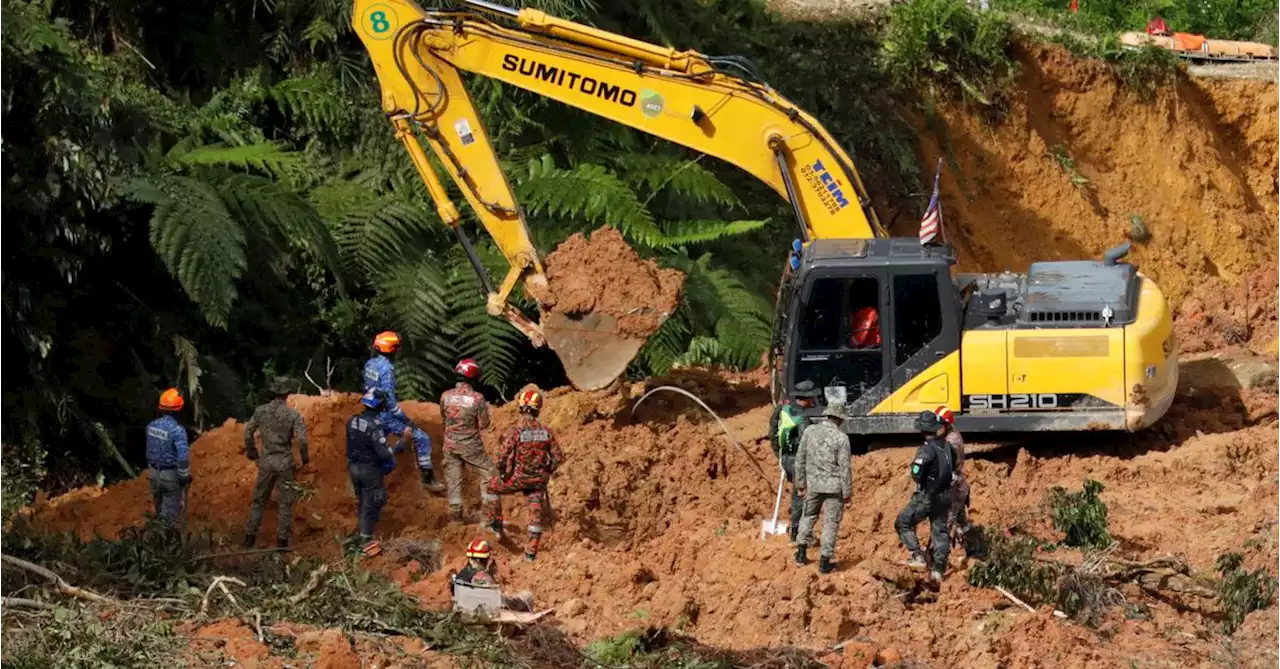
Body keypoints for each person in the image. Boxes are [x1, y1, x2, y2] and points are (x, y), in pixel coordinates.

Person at [485, 388, 564, 561]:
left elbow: (502, 455)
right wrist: (546, 472)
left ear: (521, 409)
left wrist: (502, 472)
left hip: (517, 479)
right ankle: (530, 553)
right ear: (538, 409)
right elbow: (558, 457)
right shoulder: (546, 431)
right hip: (537, 482)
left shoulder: (516, 431)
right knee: (535, 512)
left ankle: (495, 525)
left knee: (491, 488)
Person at [363, 330, 445, 493]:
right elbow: (390, 401)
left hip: (370, 413)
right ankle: (428, 479)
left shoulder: (369, 364)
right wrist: (406, 419)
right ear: (392, 350)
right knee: (422, 438)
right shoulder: (387, 369)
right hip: (385, 416)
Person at [242, 376, 310, 549]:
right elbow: (302, 441)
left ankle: (249, 538)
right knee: (285, 503)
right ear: (287, 393)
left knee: (259, 501)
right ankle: (281, 543)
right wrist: (305, 459)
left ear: (273, 392)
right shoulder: (293, 415)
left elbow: (247, 432)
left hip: (266, 462)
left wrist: (253, 454)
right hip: (285, 463)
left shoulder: (260, 411)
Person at [896, 410, 958, 581]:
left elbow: (917, 474)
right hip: (946, 496)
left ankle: (917, 555)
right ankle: (939, 570)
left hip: (928, 496)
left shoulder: (926, 450)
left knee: (903, 522)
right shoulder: (948, 447)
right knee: (940, 531)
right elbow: (955, 467)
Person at [793, 403, 852, 574]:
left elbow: (800, 459)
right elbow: (845, 467)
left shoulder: (809, 431)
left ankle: (801, 554)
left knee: (808, 516)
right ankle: (825, 562)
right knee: (830, 523)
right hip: (834, 488)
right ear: (839, 419)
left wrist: (801, 483)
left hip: (813, 484)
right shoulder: (841, 438)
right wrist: (847, 492)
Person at [441, 358, 498, 523]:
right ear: (474, 378)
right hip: (471, 447)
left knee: (453, 479)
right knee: (490, 474)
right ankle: (488, 517)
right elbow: (484, 424)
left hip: (450, 445)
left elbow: (444, 419)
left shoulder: (445, 396)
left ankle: (456, 518)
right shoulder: (477, 399)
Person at [769, 380, 822, 543]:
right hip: (798, 461)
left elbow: (772, 431)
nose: (815, 400)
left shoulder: (782, 409)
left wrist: (779, 453)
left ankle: (796, 532)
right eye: (813, 397)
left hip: (785, 458)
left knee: (797, 495)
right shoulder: (803, 420)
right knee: (803, 497)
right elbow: (807, 446)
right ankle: (799, 534)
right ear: (806, 398)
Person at [347, 389, 398, 558]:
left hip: (354, 467)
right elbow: (383, 453)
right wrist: (399, 446)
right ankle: (366, 545)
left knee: (363, 502)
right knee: (373, 502)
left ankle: (361, 536)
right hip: (370, 469)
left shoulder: (352, 421)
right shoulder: (373, 426)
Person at [146, 388, 191, 528]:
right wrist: (184, 476)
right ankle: (166, 547)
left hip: (153, 474)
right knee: (169, 519)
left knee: (159, 512)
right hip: (170, 476)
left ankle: (155, 543)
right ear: (179, 409)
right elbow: (183, 457)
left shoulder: (151, 426)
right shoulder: (178, 430)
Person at [451, 538, 534, 612]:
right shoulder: (482, 577)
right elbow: (496, 601)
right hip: (484, 615)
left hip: (463, 611)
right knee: (527, 596)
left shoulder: (460, 576)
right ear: (485, 559)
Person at [935, 406, 972, 541]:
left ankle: (939, 557)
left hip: (954, 489)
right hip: (958, 487)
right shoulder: (948, 433)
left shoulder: (952, 442)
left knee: (945, 523)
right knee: (962, 523)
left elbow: (945, 466)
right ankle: (971, 544)